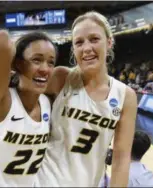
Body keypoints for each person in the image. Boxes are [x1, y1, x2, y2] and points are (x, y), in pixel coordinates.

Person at [35, 11, 137, 187]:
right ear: (74, 49)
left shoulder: (125, 96)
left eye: (94, 39)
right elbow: (23, 81)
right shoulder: (61, 77)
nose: (87, 48)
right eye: (79, 42)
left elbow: (121, 158)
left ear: (109, 42)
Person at [0, 30, 58, 187]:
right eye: (36, 60)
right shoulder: (0, 102)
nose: (45, 69)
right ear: (18, 64)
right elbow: (0, 40)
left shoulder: (47, 103)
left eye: (51, 62)